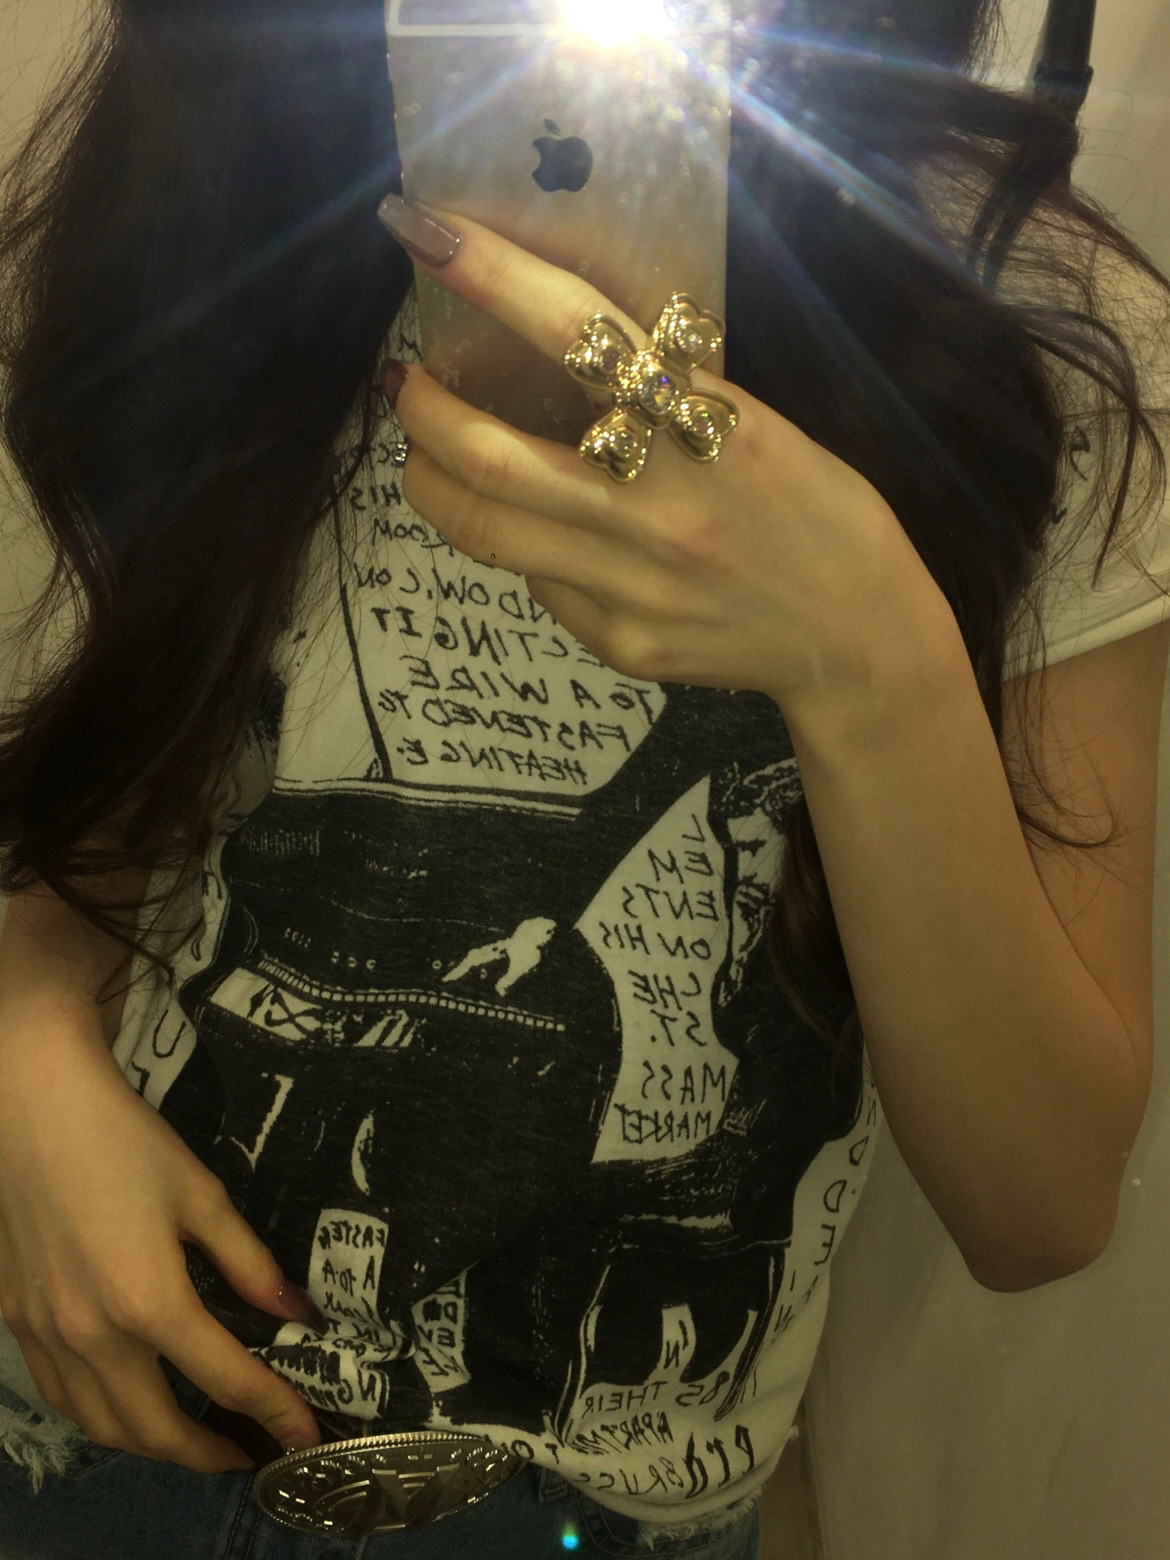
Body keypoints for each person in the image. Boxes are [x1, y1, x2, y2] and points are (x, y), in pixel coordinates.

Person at [0, 0, 1167, 1556]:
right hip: (91, 1403)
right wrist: (21, 1049)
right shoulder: (244, 174)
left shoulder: (1024, 311)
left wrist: (865, 655)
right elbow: (134, 760)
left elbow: (1037, 1207)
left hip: (582, 1500)